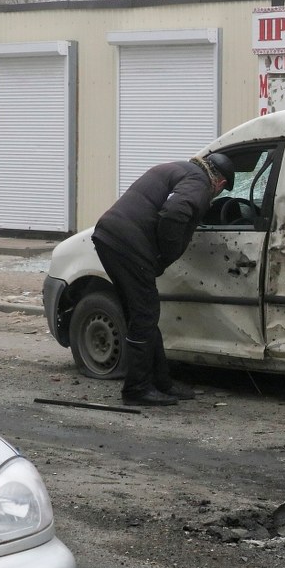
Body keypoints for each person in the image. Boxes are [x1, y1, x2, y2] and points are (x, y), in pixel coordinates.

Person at [91, 153, 235, 406]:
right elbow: (174, 212)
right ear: (220, 184)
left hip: (111, 237)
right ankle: (136, 390)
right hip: (128, 245)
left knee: (142, 314)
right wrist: (165, 254)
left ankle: (160, 382)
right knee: (145, 315)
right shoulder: (200, 183)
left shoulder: (181, 169)